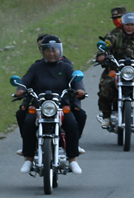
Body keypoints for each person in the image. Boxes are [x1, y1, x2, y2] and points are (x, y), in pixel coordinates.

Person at [14, 35, 85, 174]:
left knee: (72, 123)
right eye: (48, 50)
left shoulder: (66, 67)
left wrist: (80, 90)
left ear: (60, 50)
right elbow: (25, 80)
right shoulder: (36, 67)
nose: (52, 53)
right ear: (42, 51)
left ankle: (72, 159)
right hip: (40, 106)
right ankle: (28, 158)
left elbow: (76, 80)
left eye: (55, 50)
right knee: (28, 122)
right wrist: (20, 89)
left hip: (60, 106)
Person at [95, 12, 134, 130]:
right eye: (127, 25)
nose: (130, 27)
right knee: (105, 87)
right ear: (123, 25)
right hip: (116, 70)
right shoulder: (114, 37)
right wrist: (102, 55)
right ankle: (106, 116)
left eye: (132, 25)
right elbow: (105, 47)